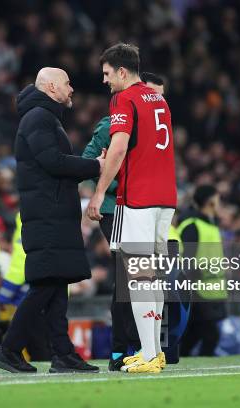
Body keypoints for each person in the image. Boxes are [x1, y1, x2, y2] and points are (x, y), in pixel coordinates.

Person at [0, 67, 102, 374]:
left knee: (55, 284)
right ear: (51, 86)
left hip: (51, 214)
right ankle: (8, 349)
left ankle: (62, 354)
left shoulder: (43, 117)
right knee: (46, 285)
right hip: (47, 216)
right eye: (67, 82)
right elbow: (53, 162)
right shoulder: (39, 117)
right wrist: (96, 165)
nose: (72, 88)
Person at [86, 44, 177, 373]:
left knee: (138, 278)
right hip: (165, 197)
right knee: (151, 277)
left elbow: (120, 146)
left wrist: (98, 193)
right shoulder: (159, 99)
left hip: (138, 197)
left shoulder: (124, 99)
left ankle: (150, 355)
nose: (105, 80)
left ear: (122, 71)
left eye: (108, 73)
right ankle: (154, 352)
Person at [178, 185, 228, 357]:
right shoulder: (192, 225)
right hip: (198, 292)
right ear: (211, 201)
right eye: (218, 199)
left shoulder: (211, 226)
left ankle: (179, 359)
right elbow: (186, 259)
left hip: (210, 291)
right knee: (210, 335)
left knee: (193, 335)